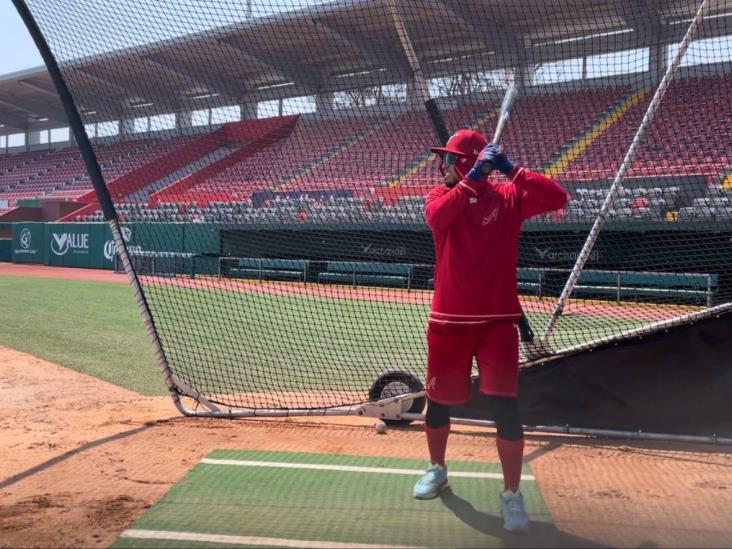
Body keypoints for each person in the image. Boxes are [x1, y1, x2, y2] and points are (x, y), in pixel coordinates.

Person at [414, 129, 568, 532]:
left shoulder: (509, 198)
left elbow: (557, 198)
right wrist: (472, 179)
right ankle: (437, 468)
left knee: (505, 408)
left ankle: (512, 495)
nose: (442, 165)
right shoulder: (440, 197)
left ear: (465, 161)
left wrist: (511, 170)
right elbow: (436, 217)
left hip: (499, 321)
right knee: (440, 403)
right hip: (449, 321)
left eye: (449, 158)